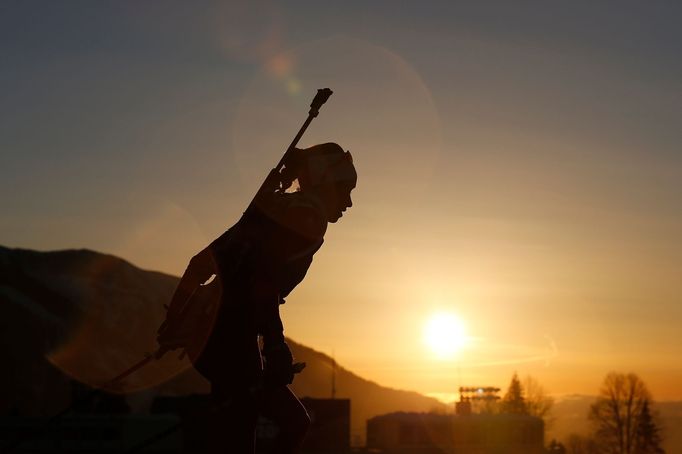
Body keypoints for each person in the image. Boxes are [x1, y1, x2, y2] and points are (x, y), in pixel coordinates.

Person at [157, 142, 357, 453]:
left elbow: (200, 265)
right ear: (325, 183)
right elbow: (263, 284)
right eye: (345, 189)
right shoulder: (307, 219)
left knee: (244, 427)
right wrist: (275, 345)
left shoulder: (266, 211)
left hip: (212, 338)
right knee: (282, 424)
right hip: (233, 336)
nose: (349, 202)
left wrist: (175, 320)